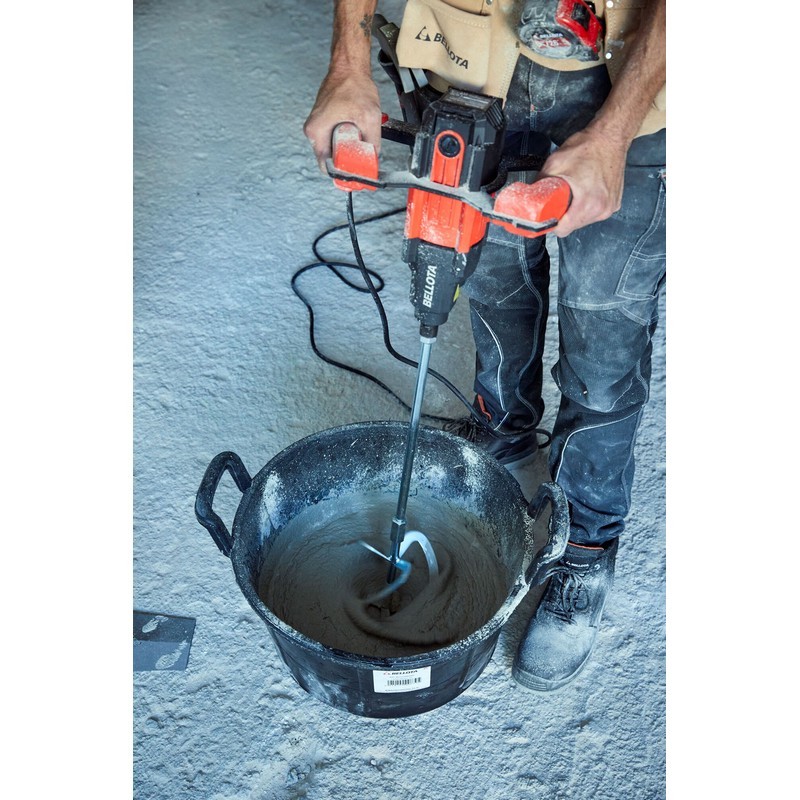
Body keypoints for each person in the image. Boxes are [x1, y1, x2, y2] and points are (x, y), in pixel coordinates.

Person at [304, 0, 666, 692]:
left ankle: (586, 546)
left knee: (604, 342)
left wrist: (615, 135)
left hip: (631, 85)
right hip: (473, 66)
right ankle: (504, 439)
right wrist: (348, 62)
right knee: (494, 284)